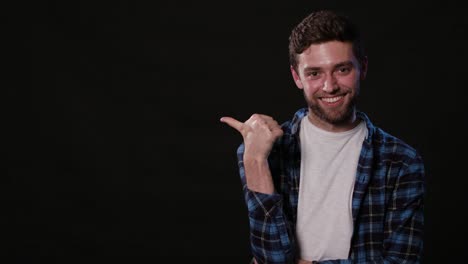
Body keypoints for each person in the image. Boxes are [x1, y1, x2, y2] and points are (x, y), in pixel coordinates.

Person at [220, 10, 424, 264]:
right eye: (314, 73)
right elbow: (271, 258)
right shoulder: (263, 151)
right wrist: (254, 160)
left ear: (363, 68)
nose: (329, 86)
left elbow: (402, 262)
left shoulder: (400, 161)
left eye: (342, 69)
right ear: (297, 77)